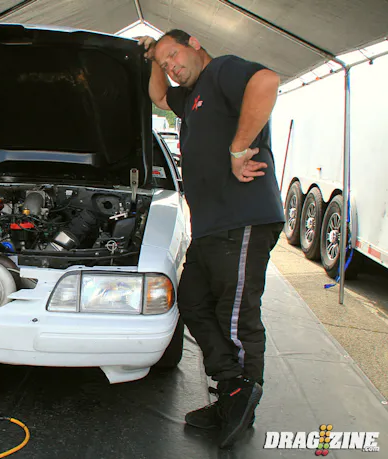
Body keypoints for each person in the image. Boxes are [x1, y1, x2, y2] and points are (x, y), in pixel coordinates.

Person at [137, 30, 285, 448]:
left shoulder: (221, 70)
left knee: (235, 314)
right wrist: (151, 58)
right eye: (165, 64)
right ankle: (232, 389)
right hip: (209, 227)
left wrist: (239, 148)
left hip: (241, 217)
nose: (172, 67)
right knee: (193, 301)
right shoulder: (191, 96)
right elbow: (158, 96)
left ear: (195, 43)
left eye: (174, 55)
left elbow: (266, 81)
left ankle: (240, 400)